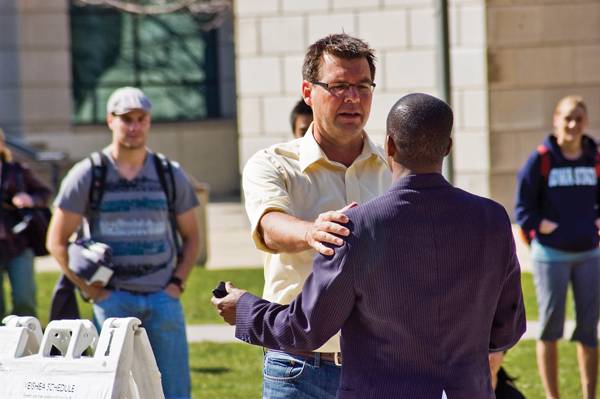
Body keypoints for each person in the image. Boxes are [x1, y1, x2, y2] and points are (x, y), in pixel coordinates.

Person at [213, 93, 526, 398]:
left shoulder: (356, 229)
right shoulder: (492, 220)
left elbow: (305, 328)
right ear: (447, 147)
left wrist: (244, 308)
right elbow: (507, 329)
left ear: (389, 145)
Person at [240, 33, 392, 398]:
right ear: (308, 92)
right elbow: (270, 225)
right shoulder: (272, 164)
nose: (353, 98)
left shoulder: (394, 167)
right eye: (338, 86)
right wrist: (312, 232)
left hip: (380, 366)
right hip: (299, 369)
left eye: (362, 86)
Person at [46, 87, 200, 399]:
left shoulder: (169, 173)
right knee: (112, 392)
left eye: (141, 119)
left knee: (174, 391)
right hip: (112, 300)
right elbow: (56, 241)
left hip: (163, 300)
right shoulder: (89, 173)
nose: (134, 126)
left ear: (149, 122)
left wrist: (176, 285)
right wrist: (93, 291)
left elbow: (193, 236)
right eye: (126, 118)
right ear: (110, 120)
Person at [515, 95, 599, 399]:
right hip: (551, 257)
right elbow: (522, 209)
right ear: (556, 120)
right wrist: (539, 226)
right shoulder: (542, 159)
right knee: (550, 328)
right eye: (568, 118)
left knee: (590, 330)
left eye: (579, 118)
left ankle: (590, 395)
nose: (573, 124)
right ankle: (554, 397)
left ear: (586, 121)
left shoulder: (595, 157)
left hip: (590, 253)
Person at [0, 128, 51, 318]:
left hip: (19, 242)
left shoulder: (18, 171)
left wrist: (29, 199)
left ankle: (26, 343)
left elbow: (44, 193)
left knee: (24, 300)